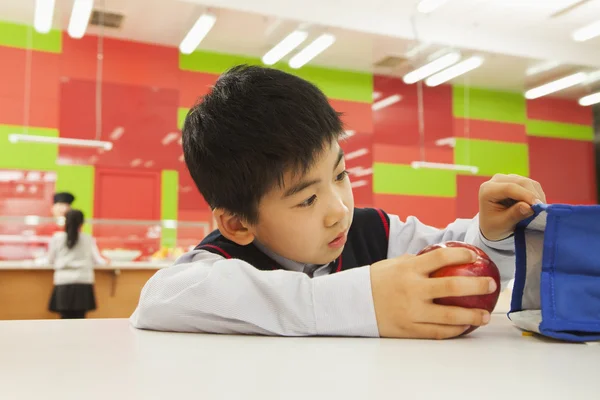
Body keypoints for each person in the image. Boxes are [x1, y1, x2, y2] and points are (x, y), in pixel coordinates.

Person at [130, 65, 546, 339]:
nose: (339, 209)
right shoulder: (223, 262)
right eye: (308, 199)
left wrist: (490, 235)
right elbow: (162, 298)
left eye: (341, 175)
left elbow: (453, 255)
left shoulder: (374, 233)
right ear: (239, 224)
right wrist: (362, 300)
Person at [47, 209, 106, 319]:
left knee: (64, 319)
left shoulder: (57, 238)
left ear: (65, 221)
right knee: (80, 319)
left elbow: (49, 260)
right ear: (82, 223)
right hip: (83, 282)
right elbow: (98, 260)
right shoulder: (88, 239)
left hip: (62, 282)